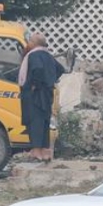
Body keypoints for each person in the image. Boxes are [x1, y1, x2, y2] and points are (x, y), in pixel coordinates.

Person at [18, 32, 66, 163]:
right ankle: (45, 152)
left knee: (35, 122)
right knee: (44, 122)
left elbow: (37, 69)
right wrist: (50, 81)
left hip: (35, 95)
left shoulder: (34, 55)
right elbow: (61, 69)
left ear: (33, 43)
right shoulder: (48, 56)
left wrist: (35, 84)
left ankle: (36, 152)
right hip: (47, 94)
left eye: (30, 42)